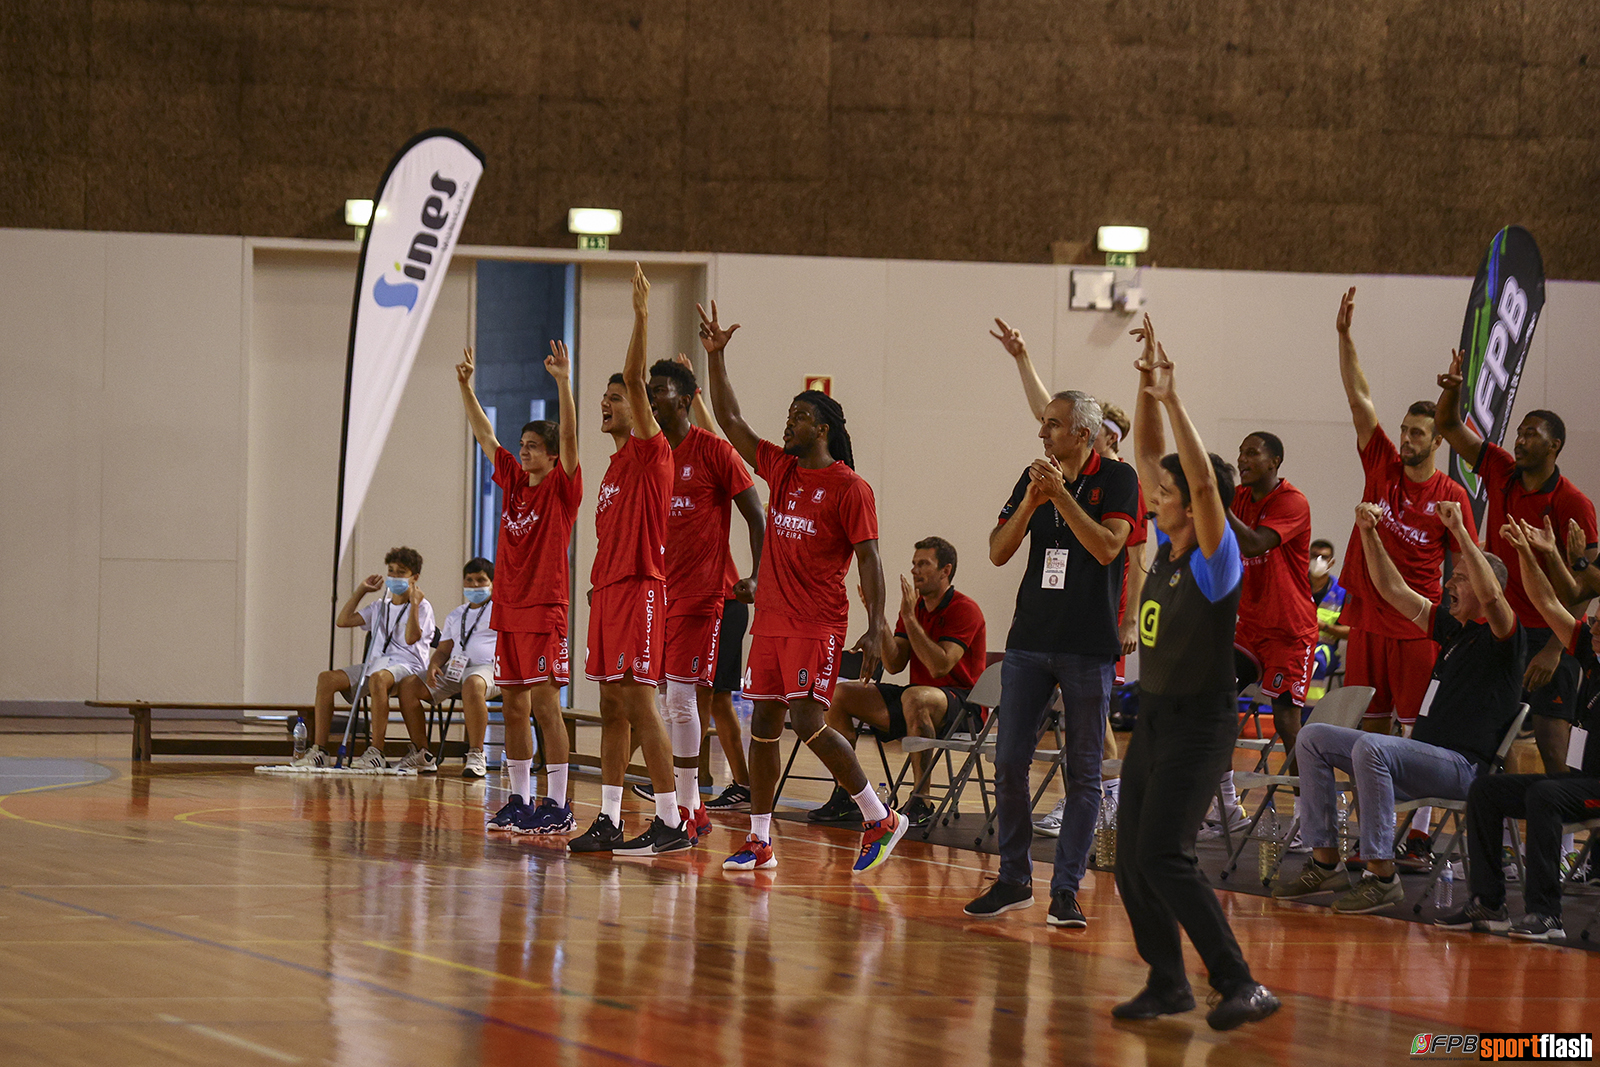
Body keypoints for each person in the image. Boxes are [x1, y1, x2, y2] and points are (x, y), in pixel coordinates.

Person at [699, 299, 908, 875]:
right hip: (769, 621)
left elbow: (869, 558)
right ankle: (761, 841)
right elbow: (731, 423)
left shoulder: (850, 487)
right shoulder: (784, 469)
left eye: (796, 416)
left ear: (821, 428)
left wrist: (876, 623)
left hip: (816, 623)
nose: (785, 423)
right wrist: (717, 358)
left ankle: (879, 816)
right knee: (763, 725)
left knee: (808, 723)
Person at [1110, 314, 1278, 1030]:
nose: (1154, 490)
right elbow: (1156, 458)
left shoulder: (1216, 560)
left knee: (1165, 856)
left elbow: (1206, 487)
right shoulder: (1170, 547)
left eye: (1166, 488)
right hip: (1153, 719)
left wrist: (1176, 400)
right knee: (1129, 862)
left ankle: (1241, 981)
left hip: (1201, 724)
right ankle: (1170, 980)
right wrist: (1147, 389)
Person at [963, 321, 1137, 928]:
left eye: (1054, 424)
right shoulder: (1036, 477)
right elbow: (996, 549)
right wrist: (1036, 501)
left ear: (1083, 434)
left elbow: (1109, 548)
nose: (1042, 430)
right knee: (1009, 761)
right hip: (1030, 641)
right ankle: (1013, 879)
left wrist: (1060, 497)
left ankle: (1066, 888)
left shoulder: (1119, 479)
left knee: (1082, 772)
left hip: (1088, 646)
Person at [1272, 499, 1525, 914]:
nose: (1450, 584)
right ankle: (1324, 862)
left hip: (1463, 768)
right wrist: (1369, 533)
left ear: (1483, 586)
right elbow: (1392, 591)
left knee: (1374, 746)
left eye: (1460, 578)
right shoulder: (1452, 630)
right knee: (1313, 736)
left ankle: (1381, 875)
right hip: (1419, 761)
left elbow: (1495, 598)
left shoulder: (1503, 638)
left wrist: (1461, 533)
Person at [568, 265, 691, 857]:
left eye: (615, 397)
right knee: (611, 704)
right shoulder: (613, 468)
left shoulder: (650, 453)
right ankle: (611, 818)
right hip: (608, 592)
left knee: (642, 702)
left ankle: (671, 821)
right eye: (607, 396)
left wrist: (641, 315)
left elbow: (639, 382)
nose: (608, 402)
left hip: (642, 587)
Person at [1435, 348, 1597, 776]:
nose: (1519, 441)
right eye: (1519, 433)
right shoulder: (1500, 468)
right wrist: (1453, 393)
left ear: (1554, 445)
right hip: (1503, 628)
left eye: (1531, 434)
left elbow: (1587, 587)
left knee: (1552, 744)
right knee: (1495, 734)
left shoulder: (1573, 502)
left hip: (1549, 632)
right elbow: (1448, 426)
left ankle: (1563, 840)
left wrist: (1553, 651)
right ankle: (1500, 829)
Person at [1437, 519, 1600, 941]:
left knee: (1546, 793)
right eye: (1594, 622)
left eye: (1599, 623)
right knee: (1487, 789)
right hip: (1585, 782)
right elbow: (1546, 602)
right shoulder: (1591, 658)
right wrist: (1531, 552)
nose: (1594, 626)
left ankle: (1547, 914)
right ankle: (1490, 904)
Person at [1333, 287, 1479, 736]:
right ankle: (1370, 809)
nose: (1407, 439)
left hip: (1418, 622)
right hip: (1367, 619)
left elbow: (1474, 563)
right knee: (1365, 732)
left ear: (1438, 441)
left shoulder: (1451, 495)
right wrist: (1344, 336)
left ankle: (1421, 811)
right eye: (1404, 431)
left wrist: (1462, 619)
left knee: (1415, 730)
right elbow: (1360, 400)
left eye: (1417, 433)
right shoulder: (1382, 464)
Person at [457, 342, 581, 834]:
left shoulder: (562, 487)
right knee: (513, 706)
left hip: (545, 608)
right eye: (522, 443)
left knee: (547, 706)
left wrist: (563, 383)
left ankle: (558, 802)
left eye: (532, 445)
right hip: (507, 610)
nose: (522, 449)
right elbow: (484, 434)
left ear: (552, 455)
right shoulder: (512, 479)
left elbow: (570, 435)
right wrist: (467, 388)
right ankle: (520, 799)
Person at [639, 354, 765, 836]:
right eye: (647, 390)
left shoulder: (714, 452)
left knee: (686, 700)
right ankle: (684, 802)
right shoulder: (649, 453)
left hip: (703, 597)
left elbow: (757, 516)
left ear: (687, 398)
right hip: (657, 598)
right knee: (667, 701)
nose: (651, 397)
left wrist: (756, 575)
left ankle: (691, 805)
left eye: (660, 390)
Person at [812, 536, 988, 828]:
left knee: (915, 697)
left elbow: (939, 665)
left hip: (963, 705)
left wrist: (908, 617)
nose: (915, 570)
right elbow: (894, 664)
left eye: (924, 564)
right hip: (916, 698)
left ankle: (922, 799)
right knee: (840, 694)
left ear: (946, 570)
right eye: (914, 564)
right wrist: (877, 616)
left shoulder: (964, 609)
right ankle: (847, 793)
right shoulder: (916, 607)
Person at [1202, 430, 1318, 839]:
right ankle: (1226, 808)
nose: (1243, 458)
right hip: (1249, 628)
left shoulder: (1291, 501)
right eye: (1240, 452)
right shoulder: (1239, 500)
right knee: (1211, 703)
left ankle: (1312, 820)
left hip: (1289, 630)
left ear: (1275, 461)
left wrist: (1217, 499)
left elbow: (1253, 544)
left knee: (1288, 722)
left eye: (1252, 453)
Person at [293, 546, 436, 770]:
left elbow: (410, 639)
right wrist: (361, 590)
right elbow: (343, 620)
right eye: (391, 571)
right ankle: (319, 750)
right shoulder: (380, 606)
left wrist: (415, 604)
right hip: (377, 665)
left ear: (414, 577)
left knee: (378, 678)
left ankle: (376, 751)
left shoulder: (423, 607)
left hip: (408, 666)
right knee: (326, 679)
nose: (394, 577)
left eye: (401, 572)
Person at [400, 558, 499, 780]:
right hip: (456, 669)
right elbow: (444, 649)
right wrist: (434, 665)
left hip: (489, 669)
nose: (474, 585)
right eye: (470, 580)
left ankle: (476, 753)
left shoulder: (500, 610)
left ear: (492, 583)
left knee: (473, 683)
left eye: (481, 580)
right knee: (408, 686)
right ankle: (422, 754)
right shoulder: (457, 614)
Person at [1307, 539, 1349, 703]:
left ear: (1332, 562)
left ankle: (1308, 716)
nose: (1318, 561)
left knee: (1315, 658)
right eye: (1314, 556)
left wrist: (1323, 626)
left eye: (1324, 557)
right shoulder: (1297, 584)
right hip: (1295, 644)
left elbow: (1351, 632)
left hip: (1325, 649)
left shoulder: (1342, 591)